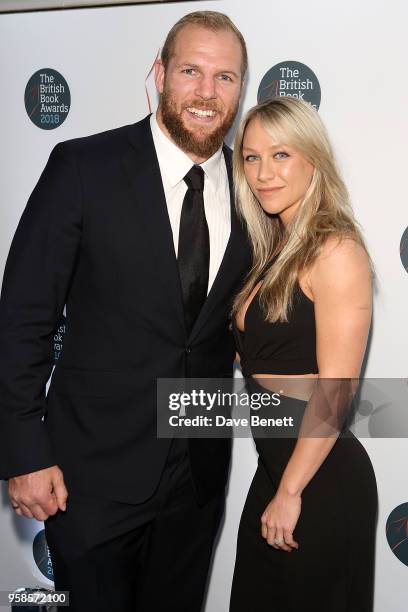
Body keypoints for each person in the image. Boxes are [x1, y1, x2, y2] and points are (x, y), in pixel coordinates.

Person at [0, 11, 251, 612]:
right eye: (191, 71)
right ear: (160, 73)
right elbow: (23, 319)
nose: (206, 93)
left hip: (196, 478)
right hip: (88, 479)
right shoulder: (82, 168)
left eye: (226, 78)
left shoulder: (254, 186)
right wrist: (24, 453)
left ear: (242, 89)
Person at [229, 97, 378, 611]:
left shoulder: (336, 250)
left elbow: (335, 392)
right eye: (251, 157)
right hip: (274, 471)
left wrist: (291, 491)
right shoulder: (271, 251)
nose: (263, 173)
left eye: (281, 155)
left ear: (313, 158)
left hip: (317, 480)